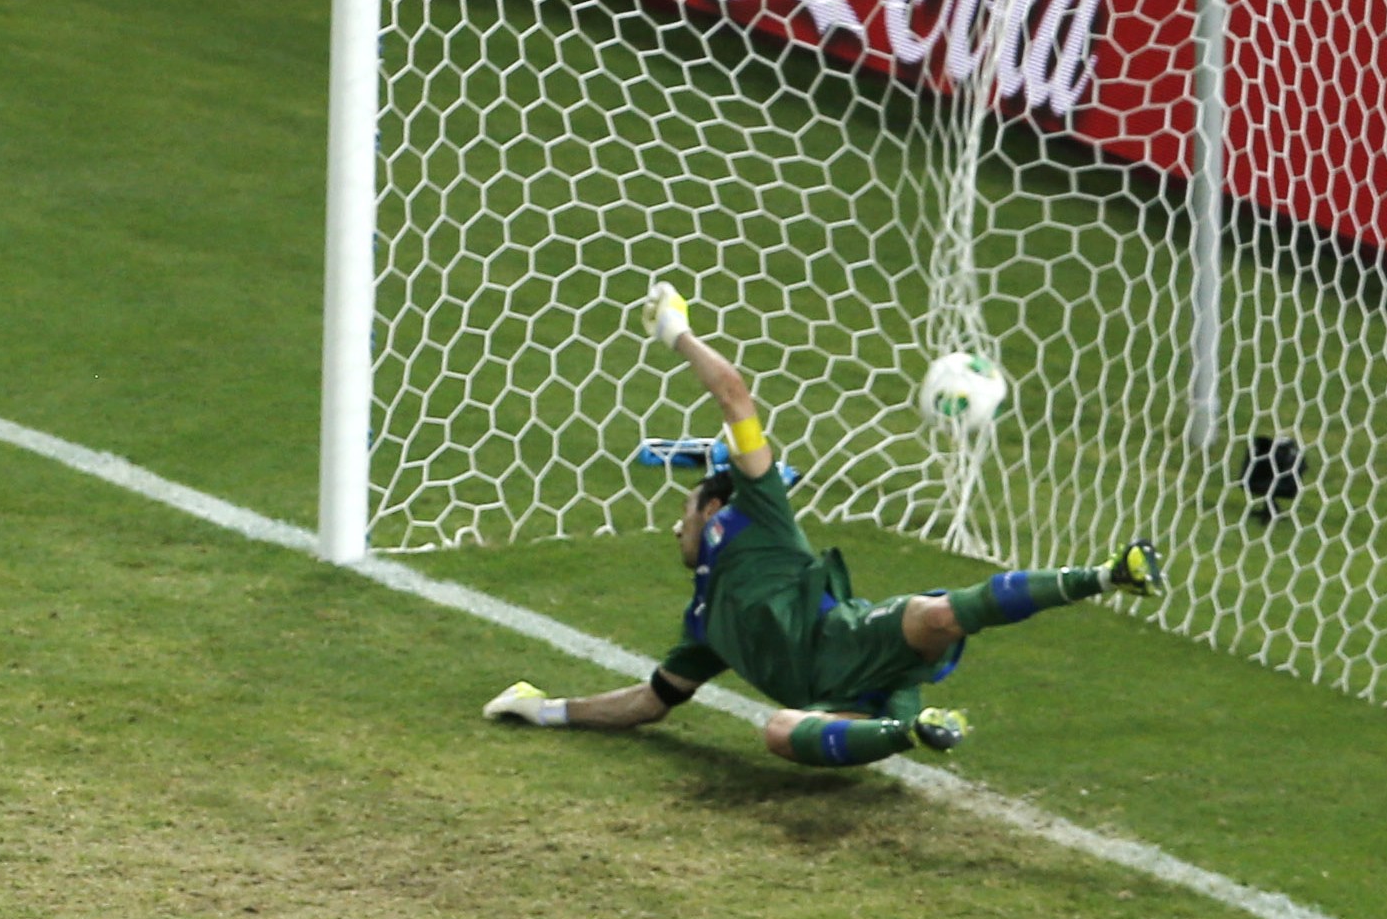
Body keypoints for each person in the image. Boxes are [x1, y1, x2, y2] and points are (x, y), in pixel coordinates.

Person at [482, 289, 1161, 764]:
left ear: (712, 509)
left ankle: (1108, 572)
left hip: (856, 637)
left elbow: (734, 396)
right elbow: (647, 703)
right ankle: (911, 729)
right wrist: (545, 709)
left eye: (683, 512)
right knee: (778, 731)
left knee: (934, 615)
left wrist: (677, 332)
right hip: (844, 701)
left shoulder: (759, 509)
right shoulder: (703, 629)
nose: (675, 530)